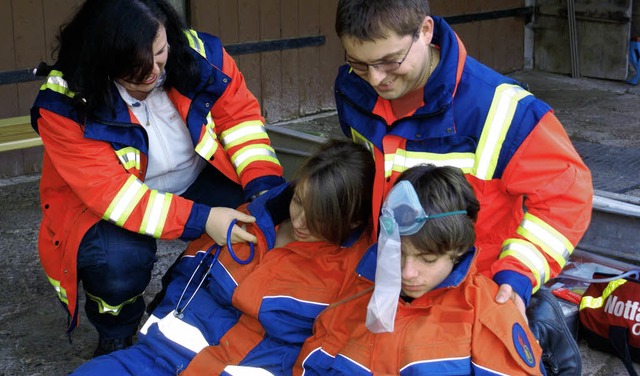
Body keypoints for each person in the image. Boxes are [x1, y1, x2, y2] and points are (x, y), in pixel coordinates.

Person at [333, 1, 591, 372]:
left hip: (472, 301)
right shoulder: (350, 89)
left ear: (425, 31)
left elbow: (567, 195)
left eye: (390, 61)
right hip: (391, 284)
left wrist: (518, 274)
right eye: (360, 63)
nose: (376, 79)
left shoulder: (502, 109)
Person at [30, 0, 285, 356]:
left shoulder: (202, 54)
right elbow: (115, 197)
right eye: (134, 68)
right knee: (115, 261)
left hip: (196, 175)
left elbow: (239, 120)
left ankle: (198, 302)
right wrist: (204, 219)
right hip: (113, 200)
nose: (153, 71)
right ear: (102, 60)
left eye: (160, 52)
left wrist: (263, 187)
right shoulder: (64, 105)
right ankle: (117, 331)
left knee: (262, 219)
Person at [71, 139, 376, 375]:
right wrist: (157, 328)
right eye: (299, 202)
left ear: (351, 221)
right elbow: (185, 279)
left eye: (320, 218)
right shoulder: (251, 218)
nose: (300, 222)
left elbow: (329, 352)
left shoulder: (356, 273)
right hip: (160, 357)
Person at [294, 164, 545, 375]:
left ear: (457, 250)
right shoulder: (358, 291)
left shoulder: (485, 313)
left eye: (427, 259)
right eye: (397, 254)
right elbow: (311, 365)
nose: (407, 273)